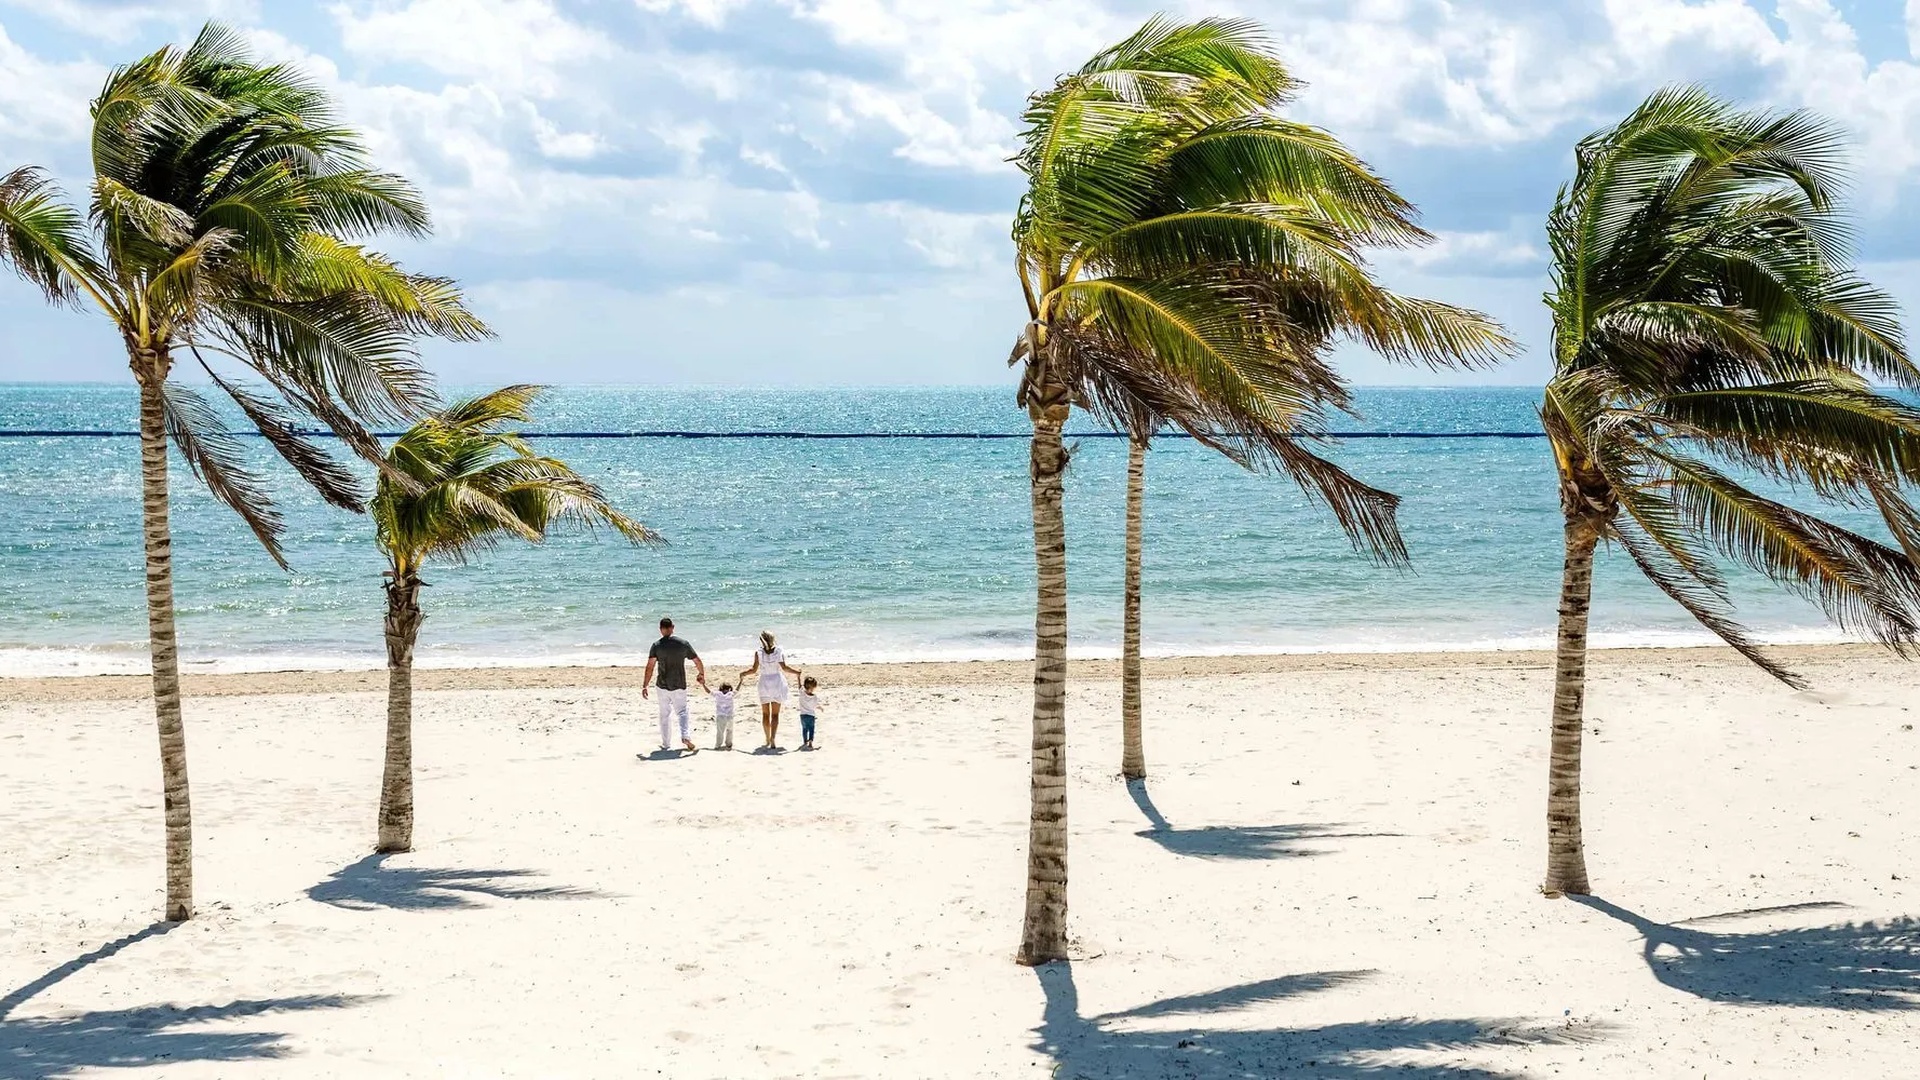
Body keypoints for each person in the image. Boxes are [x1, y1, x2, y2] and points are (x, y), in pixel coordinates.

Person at [642, 617, 706, 753]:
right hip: (679, 684)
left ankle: (666, 744)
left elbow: (650, 667)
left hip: (662, 685)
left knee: (664, 714)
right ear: (672, 627)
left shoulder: (656, 646)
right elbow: (697, 660)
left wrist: (645, 685)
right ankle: (685, 736)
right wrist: (701, 674)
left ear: (660, 630)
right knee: (682, 712)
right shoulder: (683, 644)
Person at [740, 630, 802, 749]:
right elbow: (784, 668)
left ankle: (767, 738)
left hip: (764, 682)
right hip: (777, 682)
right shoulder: (779, 651)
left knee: (765, 714)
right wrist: (797, 672)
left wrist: (743, 674)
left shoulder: (758, 652)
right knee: (775, 715)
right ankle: (773, 738)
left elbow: (753, 670)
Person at [796, 676, 823, 750]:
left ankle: (805, 741)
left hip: (803, 715)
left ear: (804, 686)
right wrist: (820, 708)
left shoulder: (802, 693)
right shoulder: (814, 697)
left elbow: (799, 685)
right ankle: (810, 742)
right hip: (811, 715)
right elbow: (816, 705)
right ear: (814, 687)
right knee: (811, 728)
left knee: (804, 729)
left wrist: (798, 677)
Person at [711, 681, 738, 751]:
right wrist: (741, 681)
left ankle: (718, 744)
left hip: (720, 716)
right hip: (729, 716)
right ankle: (728, 743)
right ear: (729, 688)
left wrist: (703, 685)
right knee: (730, 730)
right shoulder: (731, 694)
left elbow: (708, 691)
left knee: (720, 731)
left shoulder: (717, 694)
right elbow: (737, 689)